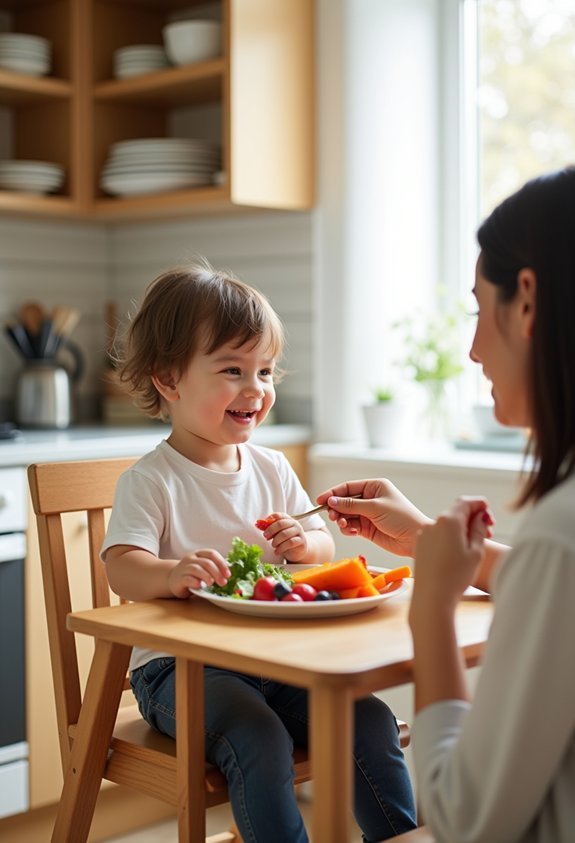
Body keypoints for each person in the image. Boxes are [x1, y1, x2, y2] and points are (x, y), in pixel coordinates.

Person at [102, 260, 417, 842]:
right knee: (259, 737)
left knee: (368, 718)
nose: (257, 389)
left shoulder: (272, 467)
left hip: (277, 662)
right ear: (169, 380)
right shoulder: (152, 480)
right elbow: (122, 566)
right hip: (179, 672)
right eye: (232, 369)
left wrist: (307, 542)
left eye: (266, 371)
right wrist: (171, 573)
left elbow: (320, 548)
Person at [317, 167, 575, 842]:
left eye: (474, 310)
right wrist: (427, 543)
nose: (469, 348)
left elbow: (463, 819)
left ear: (526, 301)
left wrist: (430, 607)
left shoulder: (560, 530)